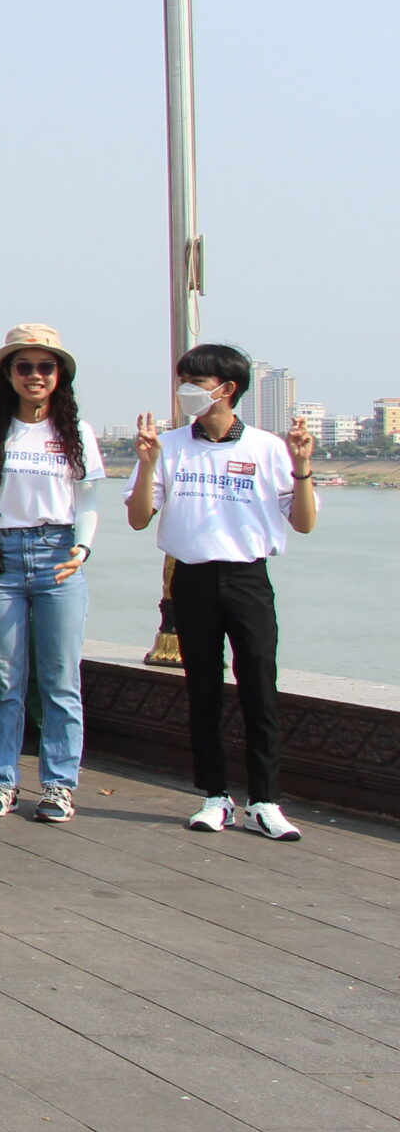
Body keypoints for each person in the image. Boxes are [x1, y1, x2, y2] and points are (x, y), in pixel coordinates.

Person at [125, 342, 318, 840]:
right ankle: (214, 797)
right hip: (192, 580)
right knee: (203, 689)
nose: (185, 390)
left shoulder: (267, 447)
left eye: (196, 382)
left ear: (227, 389)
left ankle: (265, 801)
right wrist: (147, 463)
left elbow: (304, 523)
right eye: (181, 380)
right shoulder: (168, 445)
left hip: (248, 579)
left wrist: (301, 466)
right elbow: (139, 518)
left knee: (259, 686)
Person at [0, 326, 104, 822]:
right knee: (3, 678)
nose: (35, 376)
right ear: (7, 375)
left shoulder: (75, 432)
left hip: (58, 554)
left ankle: (59, 785)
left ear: (60, 375)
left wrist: (82, 548)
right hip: (1, 557)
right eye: (24, 367)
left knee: (61, 679)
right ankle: (2, 782)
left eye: (46, 367)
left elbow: (88, 503)